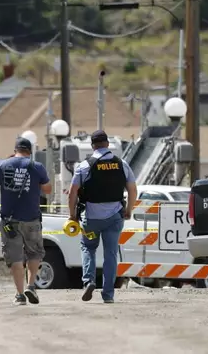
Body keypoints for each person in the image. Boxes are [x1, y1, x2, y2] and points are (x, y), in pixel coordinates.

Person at [67, 130, 137, 304]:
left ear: (93, 146)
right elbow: (133, 190)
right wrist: (128, 210)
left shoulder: (84, 166)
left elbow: (72, 193)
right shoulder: (122, 164)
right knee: (111, 254)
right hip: (114, 217)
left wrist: (72, 215)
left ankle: (89, 281)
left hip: (91, 219)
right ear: (107, 144)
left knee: (88, 247)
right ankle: (108, 294)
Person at [0, 137, 51, 305]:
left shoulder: (2, 165)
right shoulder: (37, 167)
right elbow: (48, 189)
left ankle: (20, 295)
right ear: (30, 151)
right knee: (34, 253)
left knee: (15, 257)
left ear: (15, 150)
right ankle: (31, 286)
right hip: (32, 218)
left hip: (9, 220)